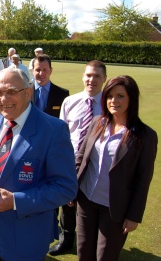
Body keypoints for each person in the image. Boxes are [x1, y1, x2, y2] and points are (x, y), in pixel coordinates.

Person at [0, 67, 78, 261]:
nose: (3, 99)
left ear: (28, 92)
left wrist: (16, 201)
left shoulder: (53, 130)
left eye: (11, 91)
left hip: (26, 238)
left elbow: (65, 188)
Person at [75, 75, 157, 260]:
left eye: (120, 96)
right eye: (110, 95)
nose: (113, 101)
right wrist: (72, 189)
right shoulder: (97, 121)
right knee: (84, 253)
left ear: (131, 98)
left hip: (115, 209)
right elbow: (81, 157)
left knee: (105, 256)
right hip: (86, 201)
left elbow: (143, 179)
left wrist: (134, 215)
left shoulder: (145, 136)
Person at [49, 60, 107, 256]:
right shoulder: (70, 101)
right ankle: (66, 241)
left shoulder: (109, 106)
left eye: (97, 76)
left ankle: (92, 239)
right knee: (67, 204)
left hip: (96, 164)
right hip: (69, 161)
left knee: (89, 203)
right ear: (83, 76)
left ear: (104, 79)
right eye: (89, 75)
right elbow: (61, 132)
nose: (92, 80)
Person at [32, 54, 69, 118]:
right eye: (38, 70)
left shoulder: (62, 94)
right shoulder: (23, 91)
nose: (41, 73)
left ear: (51, 70)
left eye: (44, 70)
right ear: (33, 71)